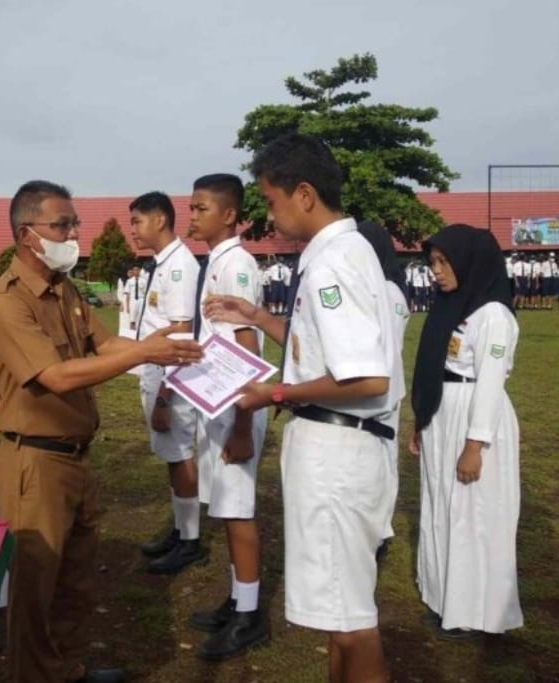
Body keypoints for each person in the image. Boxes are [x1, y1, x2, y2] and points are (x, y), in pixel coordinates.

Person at [0, 180, 201, 683]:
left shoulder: (64, 291)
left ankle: (67, 669)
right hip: (35, 462)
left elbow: (103, 347)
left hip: (75, 457)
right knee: (36, 588)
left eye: (73, 223)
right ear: (26, 234)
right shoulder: (6, 303)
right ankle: (33, 675)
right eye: (62, 225)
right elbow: (55, 376)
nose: (74, 233)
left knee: (74, 579)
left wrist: (154, 342)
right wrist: (145, 354)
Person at [205, 133, 399, 683]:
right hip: (341, 447)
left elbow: (364, 376)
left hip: (337, 452)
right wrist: (258, 316)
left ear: (305, 194)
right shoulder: (345, 252)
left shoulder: (335, 263)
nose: (269, 212)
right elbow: (322, 344)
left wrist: (274, 393)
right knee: (342, 613)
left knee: (351, 621)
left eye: (271, 199)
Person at [410, 224, 522, 640]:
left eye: (444, 262)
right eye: (432, 263)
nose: (436, 271)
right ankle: (445, 597)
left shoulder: (493, 316)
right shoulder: (455, 308)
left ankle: (477, 609)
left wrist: (475, 445)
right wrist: (423, 420)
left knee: (474, 513)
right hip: (445, 411)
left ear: (471, 262)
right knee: (441, 504)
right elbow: (431, 365)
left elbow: (491, 383)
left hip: (475, 414)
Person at [185, 174, 268, 659]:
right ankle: (239, 598)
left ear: (230, 215)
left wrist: (241, 423)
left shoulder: (236, 264)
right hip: (218, 399)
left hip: (237, 403)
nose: (191, 216)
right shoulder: (216, 260)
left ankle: (249, 617)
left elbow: (246, 345)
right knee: (225, 506)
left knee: (238, 511)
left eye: (200, 208)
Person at [130, 191, 203, 575]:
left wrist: (164, 396)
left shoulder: (179, 267)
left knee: (181, 454)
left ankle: (191, 539)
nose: (134, 231)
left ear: (160, 220)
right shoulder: (162, 264)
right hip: (157, 371)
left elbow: (183, 334)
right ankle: (180, 529)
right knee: (171, 457)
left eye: (138, 222)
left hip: (171, 377)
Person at [357, 220, 410, 559]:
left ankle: (380, 531)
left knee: (383, 462)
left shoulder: (389, 291)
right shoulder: (374, 287)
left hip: (383, 390)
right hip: (370, 389)